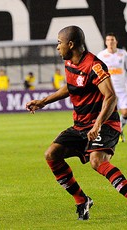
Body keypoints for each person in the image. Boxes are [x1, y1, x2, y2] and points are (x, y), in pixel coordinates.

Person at [26, 26, 127, 220]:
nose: (57, 47)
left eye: (59, 43)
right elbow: (72, 86)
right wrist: (43, 102)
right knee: (51, 155)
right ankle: (82, 200)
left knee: (97, 161)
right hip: (81, 125)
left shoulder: (94, 65)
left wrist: (97, 124)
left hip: (105, 124)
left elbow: (111, 97)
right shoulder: (70, 63)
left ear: (70, 44)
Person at [97, 33, 127, 142]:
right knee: (108, 114)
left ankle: (119, 129)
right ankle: (111, 134)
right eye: (108, 40)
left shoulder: (123, 54)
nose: (110, 42)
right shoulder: (101, 55)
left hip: (122, 89)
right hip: (108, 90)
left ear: (116, 41)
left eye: (112, 40)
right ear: (105, 42)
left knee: (125, 113)